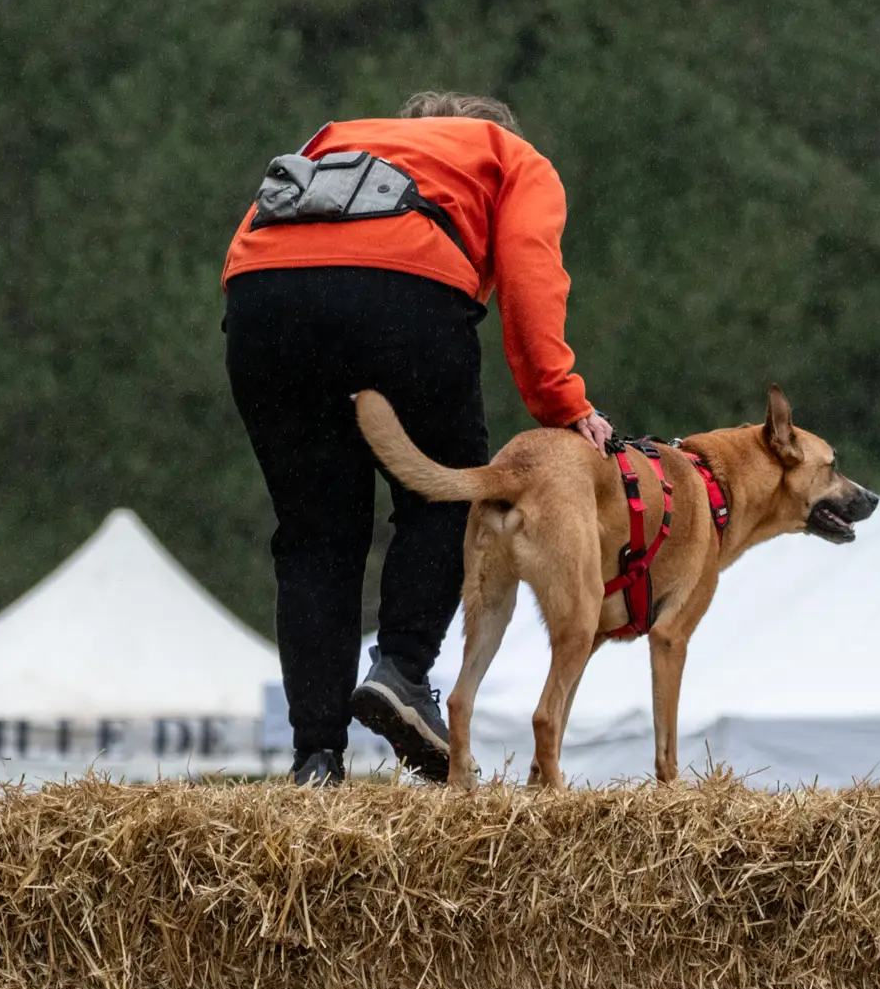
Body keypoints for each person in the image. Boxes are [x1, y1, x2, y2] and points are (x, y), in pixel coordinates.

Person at [222, 91, 614, 786]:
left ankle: (317, 757)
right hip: (401, 286)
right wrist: (562, 403)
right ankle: (402, 668)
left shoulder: (339, 138)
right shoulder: (509, 156)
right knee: (451, 489)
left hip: (262, 295)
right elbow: (530, 276)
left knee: (315, 534)